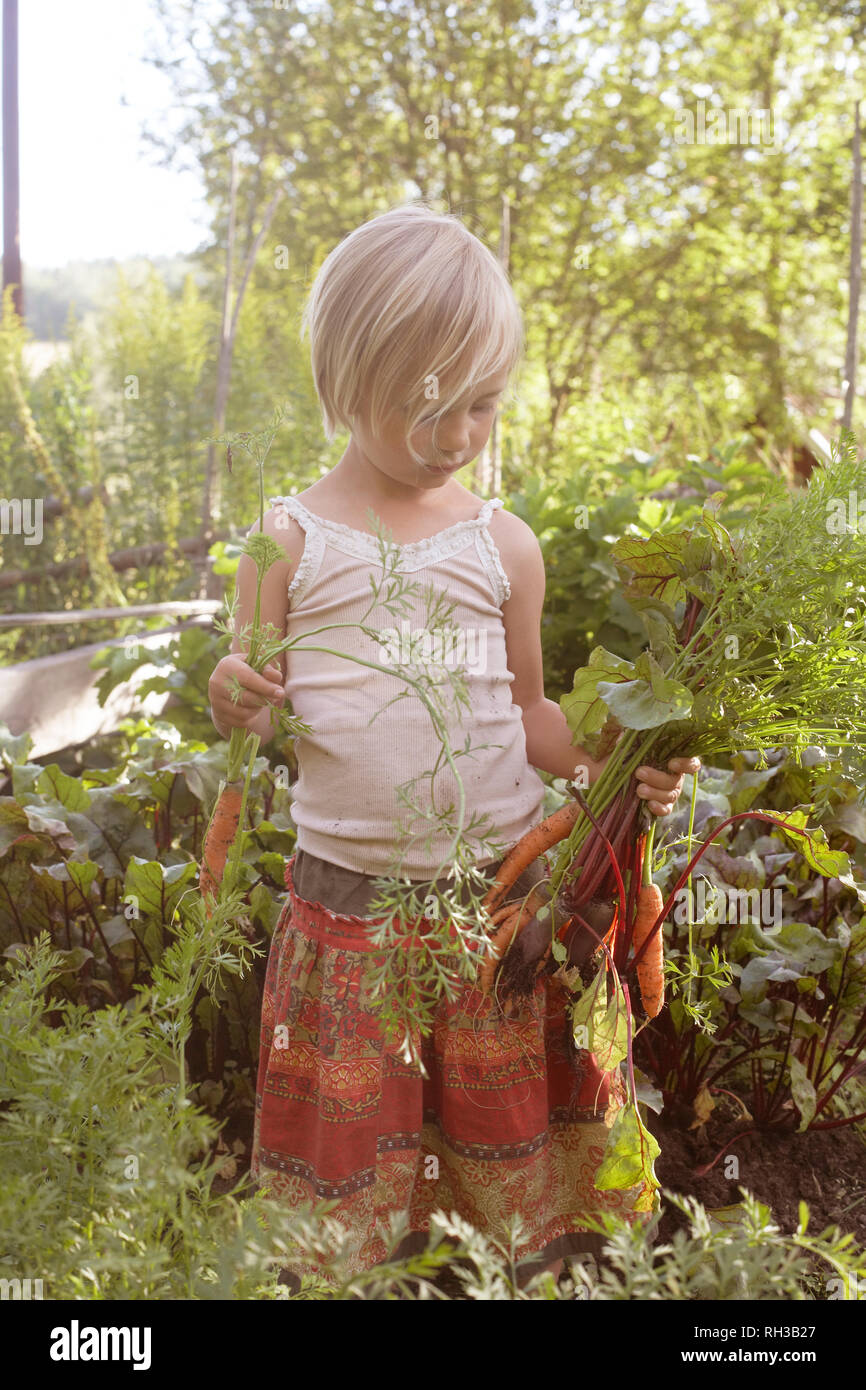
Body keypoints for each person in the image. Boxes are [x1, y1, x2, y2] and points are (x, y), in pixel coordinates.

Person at [208, 203, 700, 1292]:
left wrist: (615, 772)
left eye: (483, 404)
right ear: (351, 380)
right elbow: (245, 693)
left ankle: (499, 1268)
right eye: (433, 405)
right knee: (349, 1163)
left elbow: (528, 716)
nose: (462, 432)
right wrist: (233, 694)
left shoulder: (502, 544)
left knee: (496, 1134)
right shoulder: (287, 535)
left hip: (493, 908)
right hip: (349, 912)